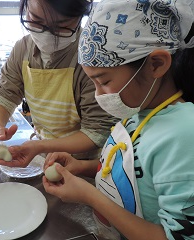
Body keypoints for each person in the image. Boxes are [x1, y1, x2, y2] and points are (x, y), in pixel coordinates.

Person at [43, 0, 194, 239]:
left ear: (156, 64)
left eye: (103, 81)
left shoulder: (184, 135)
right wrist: (83, 167)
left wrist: (91, 196)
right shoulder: (138, 111)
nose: (99, 94)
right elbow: (135, 172)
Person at [0, 0, 118, 167]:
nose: (47, 35)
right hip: (41, 153)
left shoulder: (91, 58)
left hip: (84, 163)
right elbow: (5, 94)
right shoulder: (22, 49)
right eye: (36, 21)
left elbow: (95, 133)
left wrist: (39, 147)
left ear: (80, 18)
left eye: (60, 26)